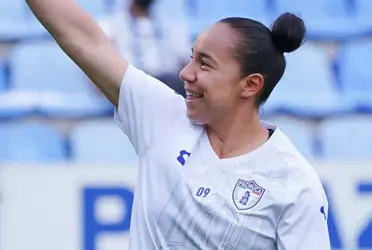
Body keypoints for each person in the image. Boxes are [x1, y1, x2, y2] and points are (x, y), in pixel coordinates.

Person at [26, 0, 331, 249]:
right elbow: (84, 39)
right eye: (191, 58)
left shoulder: (296, 184)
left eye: (205, 63)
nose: (185, 73)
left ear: (250, 84)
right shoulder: (161, 117)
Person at [99, 0, 190, 97]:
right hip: (129, 84)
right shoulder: (111, 25)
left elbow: (185, 60)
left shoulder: (169, 24)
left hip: (166, 83)